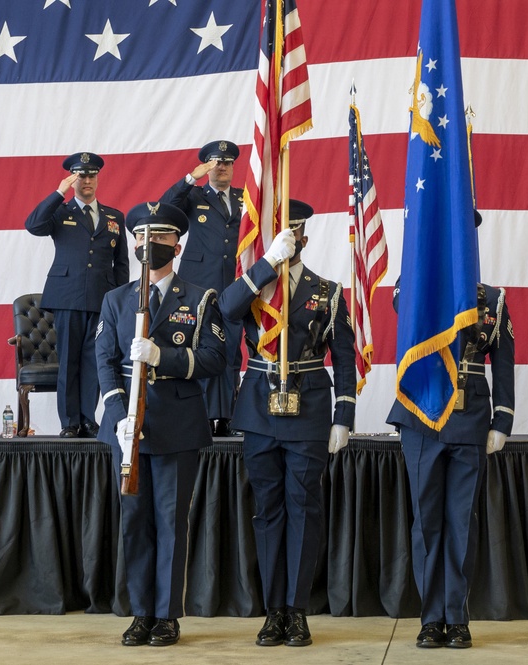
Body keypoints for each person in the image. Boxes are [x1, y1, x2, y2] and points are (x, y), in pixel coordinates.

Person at [219, 200, 355, 647]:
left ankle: (296, 611)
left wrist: (344, 415)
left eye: (294, 235)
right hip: (259, 407)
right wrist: (266, 263)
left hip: (310, 407)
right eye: (281, 234)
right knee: (267, 510)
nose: (289, 241)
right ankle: (272, 609)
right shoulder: (255, 281)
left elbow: (344, 358)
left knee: (304, 508)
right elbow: (226, 308)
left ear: (306, 239)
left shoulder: (327, 290)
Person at [96, 202, 227, 647]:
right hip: (127, 429)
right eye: (140, 237)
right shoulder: (116, 299)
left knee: (171, 522)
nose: (147, 244)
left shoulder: (199, 297)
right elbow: (104, 361)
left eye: (159, 237)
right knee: (135, 522)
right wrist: (118, 416)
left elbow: (215, 358)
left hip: (176, 425)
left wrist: (162, 357)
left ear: (178, 244)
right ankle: (140, 612)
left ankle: (167, 616)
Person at [386, 212, 515, 650]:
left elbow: (505, 363)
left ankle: (456, 618)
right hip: (422, 415)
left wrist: (504, 419)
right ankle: (430, 618)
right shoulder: (416, 285)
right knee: (427, 522)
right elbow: (403, 307)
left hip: (471, 416)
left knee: (461, 521)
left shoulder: (492, 299)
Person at [25, 152, 128, 437]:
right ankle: (69, 422)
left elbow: (121, 263)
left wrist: (120, 300)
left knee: (95, 362)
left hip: (101, 298)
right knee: (69, 361)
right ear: (72, 179)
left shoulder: (113, 216)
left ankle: (87, 418)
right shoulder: (61, 212)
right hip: (67, 297)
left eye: (91, 175)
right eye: (81, 176)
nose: (87, 181)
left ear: (97, 178)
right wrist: (59, 192)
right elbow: (33, 225)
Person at [161, 141, 244, 437]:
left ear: (234, 166)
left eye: (227, 162)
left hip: (236, 283)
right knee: (204, 347)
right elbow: (164, 210)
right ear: (206, 166)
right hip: (199, 284)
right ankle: (206, 415)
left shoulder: (244, 197)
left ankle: (227, 417)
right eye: (215, 162)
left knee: (232, 350)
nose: (221, 167)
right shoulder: (195, 195)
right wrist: (189, 179)